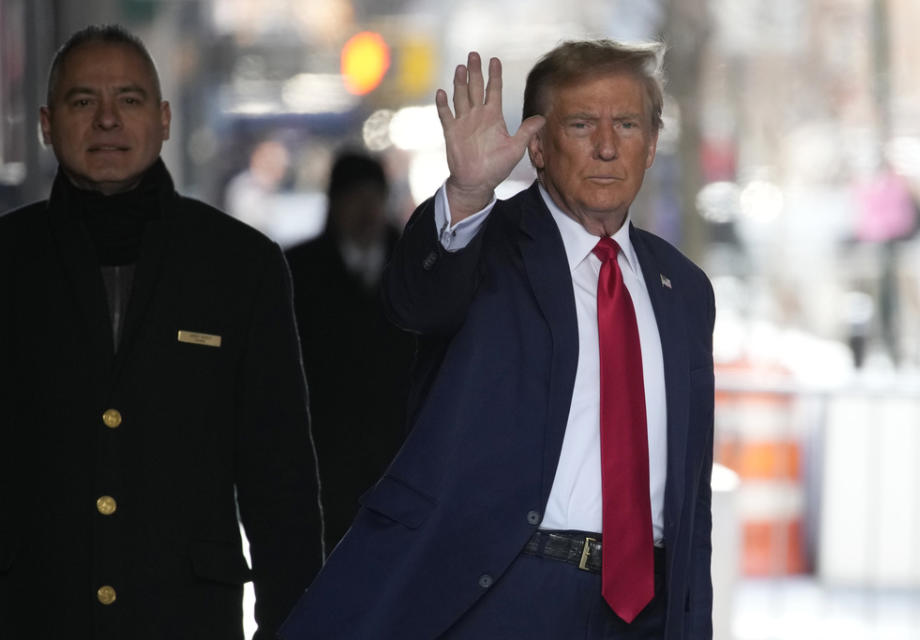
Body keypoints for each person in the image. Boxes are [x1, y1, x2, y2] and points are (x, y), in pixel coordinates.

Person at [281, 39, 715, 639]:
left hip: (646, 610)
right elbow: (413, 300)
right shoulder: (484, 243)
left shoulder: (685, 290)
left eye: (628, 124)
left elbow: (692, 493)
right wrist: (465, 196)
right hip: (503, 593)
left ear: (653, 142)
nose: (608, 146)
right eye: (583, 124)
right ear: (537, 145)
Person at [0, 25, 323, 639]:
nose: (106, 120)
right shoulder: (8, 261)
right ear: (45, 123)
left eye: (129, 99)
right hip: (33, 610)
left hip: (186, 616)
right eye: (81, 101)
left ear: (165, 117)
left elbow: (280, 481)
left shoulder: (239, 265)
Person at [286, 150, 415, 553]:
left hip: (404, 459)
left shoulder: (419, 267)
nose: (365, 210)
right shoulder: (296, 272)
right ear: (334, 203)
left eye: (372, 197)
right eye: (353, 198)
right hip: (323, 461)